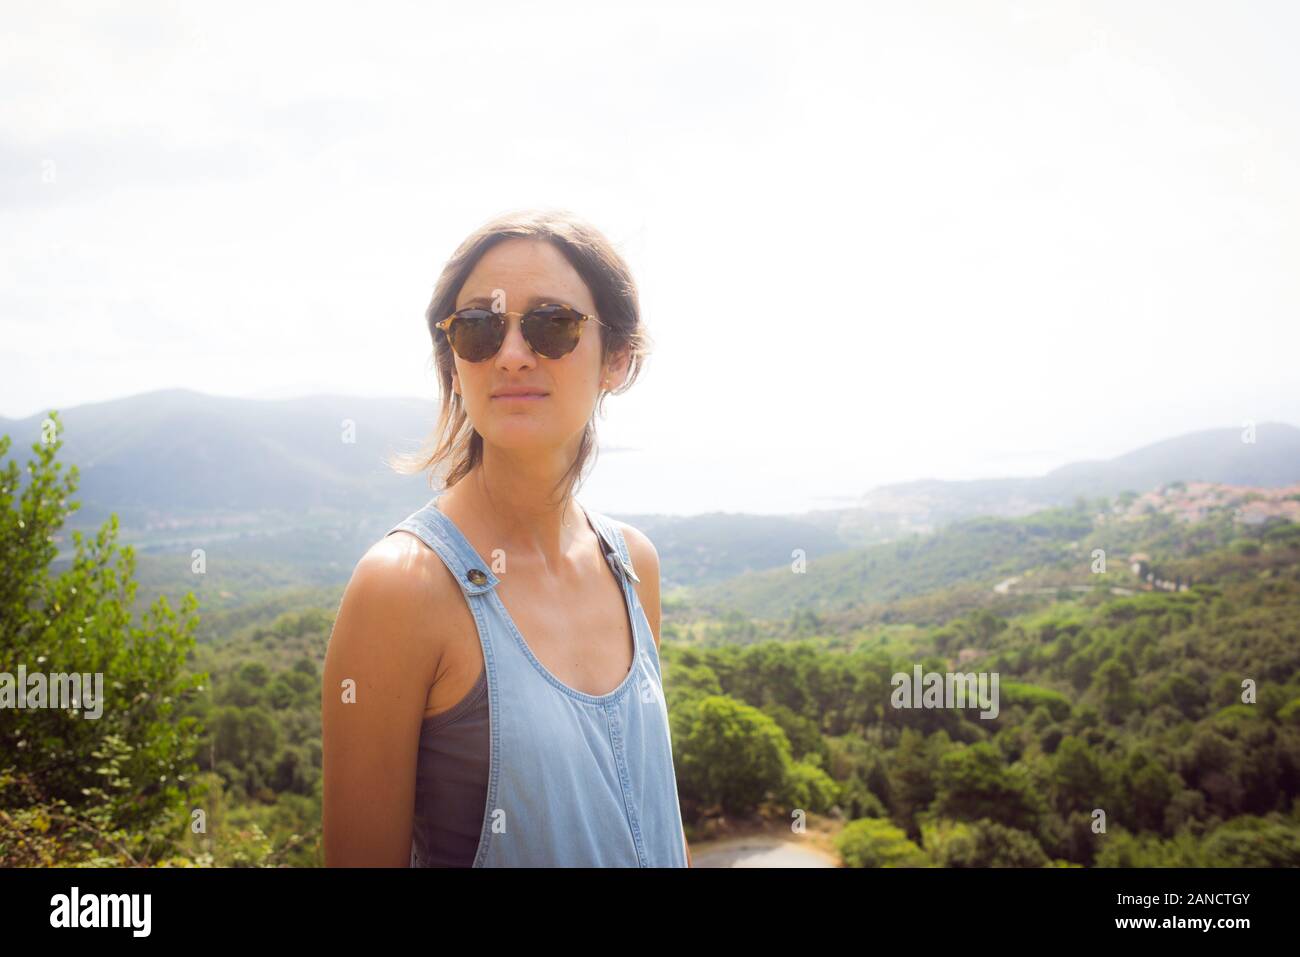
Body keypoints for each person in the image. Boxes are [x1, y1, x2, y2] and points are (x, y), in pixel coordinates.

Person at [322, 208, 691, 867]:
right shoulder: (401, 589)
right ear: (455, 363)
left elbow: (656, 817)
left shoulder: (632, 564)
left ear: (618, 358)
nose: (513, 354)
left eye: (553, 324)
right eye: (479, 329)